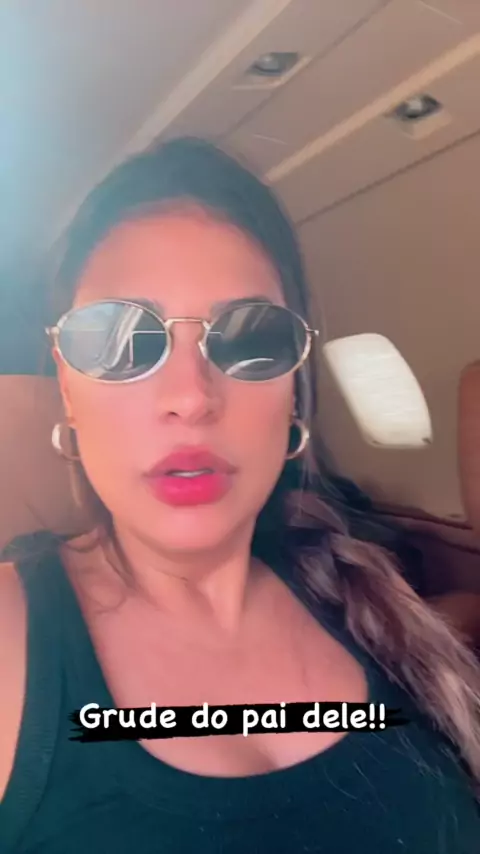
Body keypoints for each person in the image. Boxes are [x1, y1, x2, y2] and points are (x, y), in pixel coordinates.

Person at [0, 137, 479, 853]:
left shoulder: (369, 601)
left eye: (250, 340)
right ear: (68, 386)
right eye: (121, 340)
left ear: (294, 394)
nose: (191, 396)